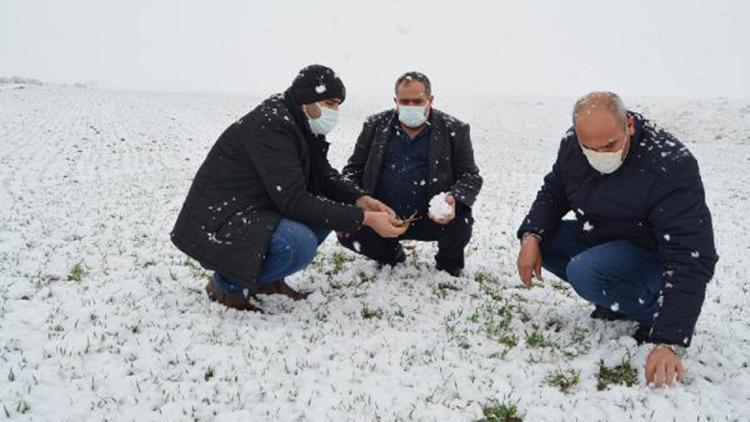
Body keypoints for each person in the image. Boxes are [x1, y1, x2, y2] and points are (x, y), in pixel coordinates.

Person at [516, 92, 717, 388]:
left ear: (629, 125)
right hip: (603, 236)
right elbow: (554, 191)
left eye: (610, 144)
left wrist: (668, 338)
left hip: (651, 255)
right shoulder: (572, 145)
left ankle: (651, 312)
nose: (601, 154)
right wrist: (531, 236)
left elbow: (690, 254)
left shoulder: (670, 165)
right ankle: (617, 302)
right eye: (590, 148)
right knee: (546, 241)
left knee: (585, 270)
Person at [171, 65, 405, 311]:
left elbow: (323, 175)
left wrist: (359, 199)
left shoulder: (301, 122)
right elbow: (294, 201)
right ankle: (225, 286)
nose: (334, 111)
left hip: (258, 207)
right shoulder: (271, 125)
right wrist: (365, 219)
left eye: (337, 105)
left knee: (329, 212)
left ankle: (269, 282)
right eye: (329, 103)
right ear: (306, 99)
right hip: (222, 218)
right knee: (297, 244)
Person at [338, 71, 482, 276]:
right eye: (405, 101)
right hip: (384, 217)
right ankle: (389, 254)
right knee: (349, 233)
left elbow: (470, 176)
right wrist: (357, 200)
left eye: (418, 101)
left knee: (461, 221)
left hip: (433, 218)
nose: (411, 106)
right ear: (395, 101)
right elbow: (353, 170)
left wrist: (454, 199)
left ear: (430, 99)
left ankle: (449, 264)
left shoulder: (455, 129)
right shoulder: (375, 125)